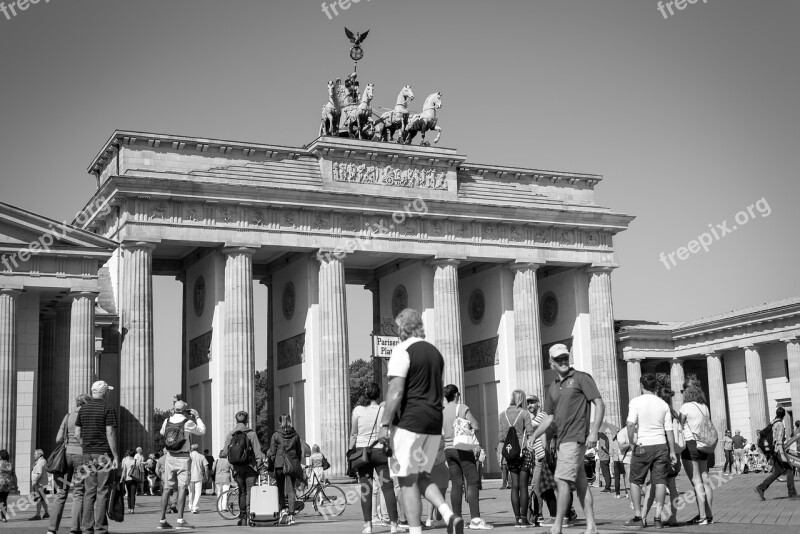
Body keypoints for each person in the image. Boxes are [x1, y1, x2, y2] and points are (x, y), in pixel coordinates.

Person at [377, 308, 462, 534]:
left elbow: (395, 391)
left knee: (406, 480)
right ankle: (447, 513)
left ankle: (415, 531)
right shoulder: (435, 353)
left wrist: (385, 425)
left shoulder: (402, 350)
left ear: (403, 329)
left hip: (409, 423)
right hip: (433, 425)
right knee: (422, 475)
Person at [530, 343, 603, 534]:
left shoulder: (581, 378)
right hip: (562, 441)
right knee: (581, 484)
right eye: (558, 359)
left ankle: (557, 528)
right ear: (551, 362)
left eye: (565, 357)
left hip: (575, 437)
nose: (563, 361)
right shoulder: (553, 387)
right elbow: (549, 417)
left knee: (561, 480)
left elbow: (599, 403)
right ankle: (591, 527)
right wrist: (535, 435)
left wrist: (594, 431)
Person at [623, 373, 677, 528]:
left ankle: (638, 516)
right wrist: (672, 451)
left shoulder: (636, 402)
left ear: (641, 386)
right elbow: (669, 431)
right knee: (660, 481)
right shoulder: (663, 404)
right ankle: (658, 517)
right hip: (661, 445)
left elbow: (630, 423)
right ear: (655, 387)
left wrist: (632, 441)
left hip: (642, 445)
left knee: (635, 480)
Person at [442, 384, 491, 529]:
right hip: (462, 448)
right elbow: (476, 425)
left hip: (448, 449)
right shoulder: (461, 408)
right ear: (456, 395)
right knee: (472, 481)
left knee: (456, 484)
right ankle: (475, 519)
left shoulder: (443, 412)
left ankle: (457, 519)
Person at [74, 380, 119, 534]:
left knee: (89, 491)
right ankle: (100, 528)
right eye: (108, 391)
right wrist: (115, 455)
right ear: (104, 392)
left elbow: (77, 434)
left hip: (87, 454)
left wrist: (86, 446)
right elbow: (110, 433)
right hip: (104, 454)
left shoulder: (83, 409)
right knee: (102, 491)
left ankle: (86, 528)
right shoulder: (107, 408)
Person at [350, 383, 395, 533]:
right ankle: (394, 525)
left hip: (363, 451)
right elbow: (387, 431)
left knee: (365, 488)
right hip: (379, 450)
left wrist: (350, 451)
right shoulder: (383, 410)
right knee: (387, 487)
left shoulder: (357, 410)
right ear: (378, 395)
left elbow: (353, 434)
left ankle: (368, 525)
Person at [157, 400, 206, 530]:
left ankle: (162, 520)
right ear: (185, 410)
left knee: (167, 488)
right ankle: (180, 519)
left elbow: (163, 433)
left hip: (169, 457)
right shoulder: (187, 422)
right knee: (182, 488)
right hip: (183, 457)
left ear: (174, 409)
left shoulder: (167, 421)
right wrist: (197, 416)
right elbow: (202, 431)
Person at [48, 393, 90, 534]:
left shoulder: (68, 416)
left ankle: (52, 529)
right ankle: (75, 529)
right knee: (79, 492)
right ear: (86, 404)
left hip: (66, 456)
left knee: (61, 492)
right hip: (81, 457)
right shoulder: (87, 417)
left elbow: (58, 438)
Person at [498, 389, 535, 527]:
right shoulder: (524, 413)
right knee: (523, 486)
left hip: (510, 452)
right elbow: (530, 433)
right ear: (522, 400)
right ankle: (524, 520)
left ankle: (517, 519)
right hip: (523, 452)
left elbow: (501, 438)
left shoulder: (502, 415)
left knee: (514, 486)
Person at [679, 384, 714, 525]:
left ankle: (703, 516)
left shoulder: (686, 407)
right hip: (704, 444)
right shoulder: (704, 406)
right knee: (705, 479)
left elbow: (679, 425)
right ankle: (709, 514)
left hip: (690, 444)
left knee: (696, 481)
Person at [222, 410, 263, 526]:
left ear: (236, 421)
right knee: (251, 490)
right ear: (247, 421)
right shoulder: (252, 434)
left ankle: (243, 517)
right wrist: (258, 466)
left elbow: (225, 453)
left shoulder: (231, 434)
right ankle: (251, 515)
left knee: (242, 492)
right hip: (250, 467)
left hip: (237, 468)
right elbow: (257, 452)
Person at [755, 406, 799, 501]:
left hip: (773, 451)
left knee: (777, 472)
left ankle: (761, 488)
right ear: (783, 415)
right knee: (790, 469)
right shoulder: (780, 424)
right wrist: (782, 453)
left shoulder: (773, 422)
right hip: (778, 450)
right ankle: (792, 493)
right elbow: (778, 440)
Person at [267, 413, 303, 525]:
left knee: (280, 489)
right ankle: (291, 515)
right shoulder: (296, 435)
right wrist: (296, 463)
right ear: (290, 421)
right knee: (291, 489)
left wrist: (270, 466)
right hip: (291, 464)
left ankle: (283, 510)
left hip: (279, 464)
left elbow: (272, 452)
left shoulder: (276, 435)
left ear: (279, 422)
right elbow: (299, 452)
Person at [526, 393, 547, 525]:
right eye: (528, 402)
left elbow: (528, 426)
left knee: (536, 486)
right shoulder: (535, 417)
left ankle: (539, 514)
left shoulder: (542, 415)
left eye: (532, 402)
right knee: (548, 487)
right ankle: (569, 511)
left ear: (539, 403)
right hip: (539, 457)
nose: (529, 405)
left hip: (543, 457)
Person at [28, 448, 49, 521]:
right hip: (43, 483)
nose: (34, 455)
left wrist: (35, 481)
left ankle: (38, 515)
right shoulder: (42, 461)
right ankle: (46, 513)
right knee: (42, 499)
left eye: (35, 454)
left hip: (39, 484)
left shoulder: (40, 462)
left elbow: (39, 473)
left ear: (39, 454)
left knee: (38, 499)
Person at [188, 444, 207, 514]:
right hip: (198, 476)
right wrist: (206, 475)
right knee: (198, 492)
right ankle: (194, 506)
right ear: (198, 449)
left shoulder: (188, 456)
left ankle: (190, 506)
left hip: (190, 476)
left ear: (191, 449)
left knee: (191, 492)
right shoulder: (201, 456)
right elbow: (206, 466)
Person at [120, 449, 140, 514]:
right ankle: (132, 509)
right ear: (134, 454)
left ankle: (129, 508)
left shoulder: (125, 461)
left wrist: (121, 479)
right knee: (133, 494)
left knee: (129, 494)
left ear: (128, 454)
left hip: (127, 479)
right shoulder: (137, 461)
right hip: (134, 479)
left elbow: (123, 471)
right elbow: (139, 470)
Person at [0, 450, 13, 522]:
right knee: (4, 500)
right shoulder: (10, 464)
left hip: (0, 483)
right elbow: (13, 475)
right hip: (7, 484)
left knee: (1, 500)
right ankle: (4, 517)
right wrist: (16, 485)